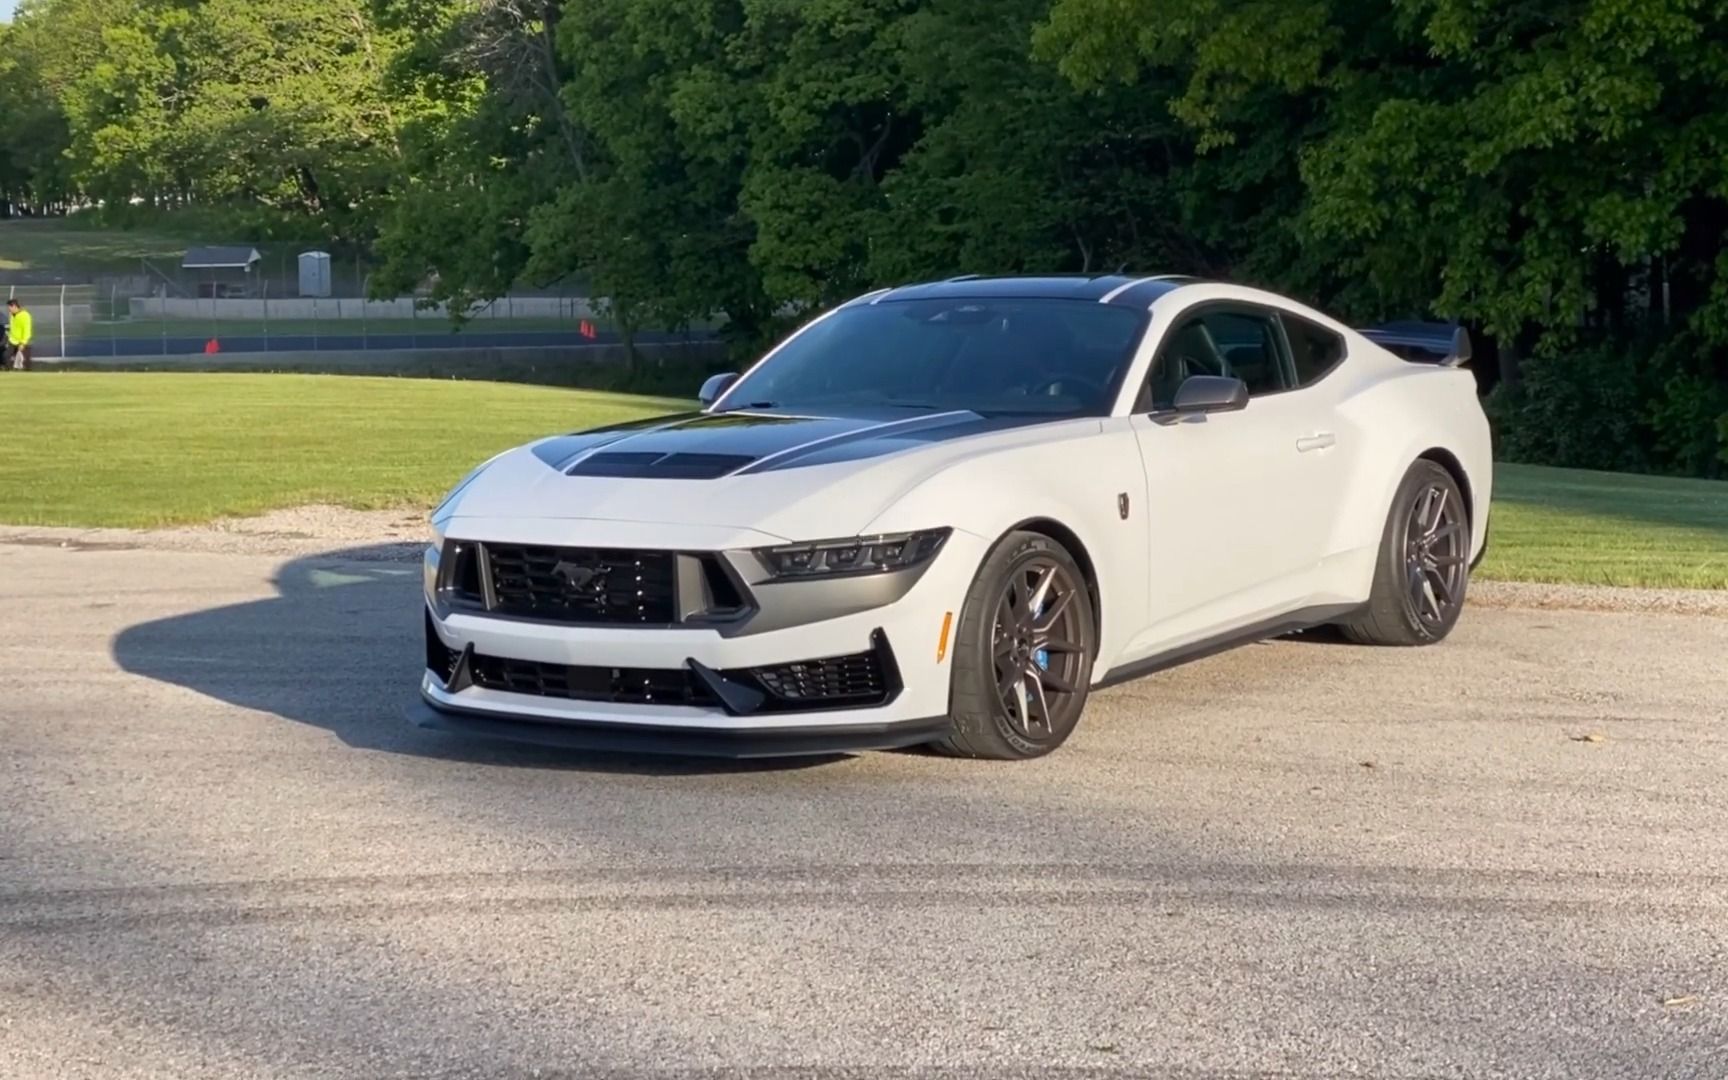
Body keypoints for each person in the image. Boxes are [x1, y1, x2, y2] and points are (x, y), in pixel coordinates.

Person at [6, 298, 33, 370]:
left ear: (14, 306)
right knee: (6, 358)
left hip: (22, 342)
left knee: (25, 362)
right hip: (12, 341)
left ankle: (28, 375)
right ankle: (8, 373)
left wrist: (23, 343)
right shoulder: (12, 315)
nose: (9, 309)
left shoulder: (25, 315)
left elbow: (27, 330)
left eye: (9, 307)